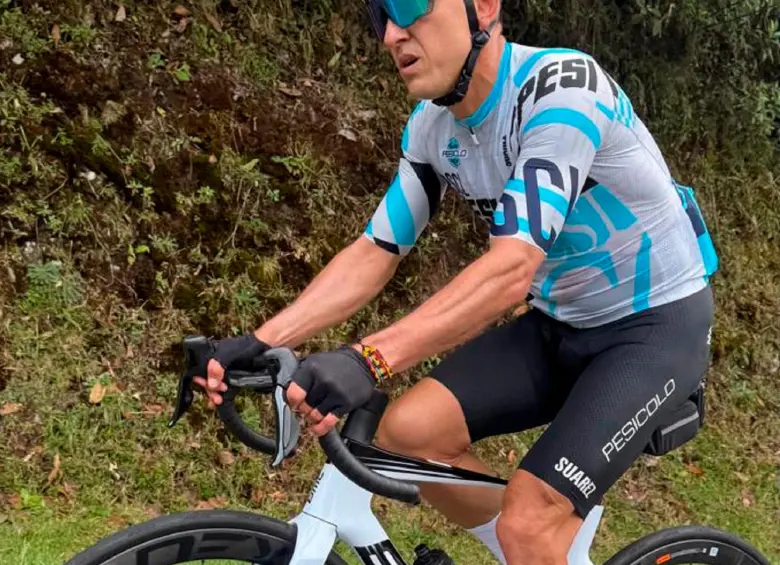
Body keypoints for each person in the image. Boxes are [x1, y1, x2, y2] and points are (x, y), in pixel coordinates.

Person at [193, 0, 719, 562]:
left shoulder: (561, 91)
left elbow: (512, 268)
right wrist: (265, 339)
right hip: (561, 324)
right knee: (410, 432)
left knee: (530, 519)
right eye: (380, 19)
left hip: (656, 327)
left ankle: (533, 540)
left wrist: (367, 359)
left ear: (484, 7)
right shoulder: (431, 127)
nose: (391, 35)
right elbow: (377, 249)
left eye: (408, 6)